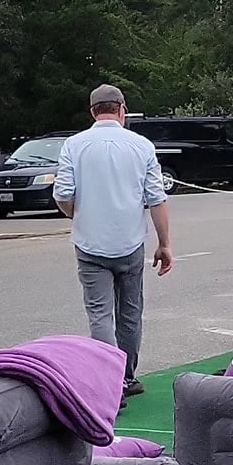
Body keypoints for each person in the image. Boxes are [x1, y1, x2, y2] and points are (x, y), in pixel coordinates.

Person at [53, 84, 174, 397]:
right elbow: (156, 199)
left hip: (90, 244)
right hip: (130, 243)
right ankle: (127, 377)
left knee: (100, 315)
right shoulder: (142, 146)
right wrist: (164, 244)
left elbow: (63, 194)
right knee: (130, 313)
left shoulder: (73, 145)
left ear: (93, 111)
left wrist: (77, 214)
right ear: (122, 109)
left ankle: (108, 383)